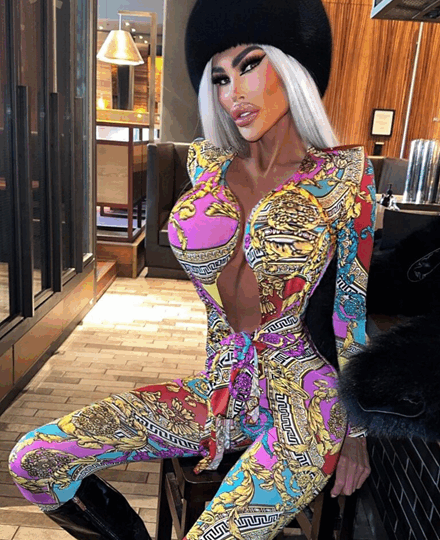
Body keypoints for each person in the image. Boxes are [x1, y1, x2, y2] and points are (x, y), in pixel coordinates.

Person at [8, 0, 376, 538]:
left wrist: (359, 434)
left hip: (307, 405)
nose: (232, 94)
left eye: (249, 66)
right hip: (219, 390)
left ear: (291, 66)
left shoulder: (346, 175)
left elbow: (350, 313)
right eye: (219, 78)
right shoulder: (207, 162)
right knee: (34, 460)